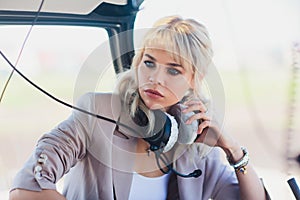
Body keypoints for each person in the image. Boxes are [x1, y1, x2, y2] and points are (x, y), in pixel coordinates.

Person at [9, 15, 270, 200]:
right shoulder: (96, 113)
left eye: (173, 70)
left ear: (195, 79)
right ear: (137, 64)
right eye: (149, 62)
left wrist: (233, 150)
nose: (156, 78)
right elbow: (25, 187)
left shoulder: (197, 143)